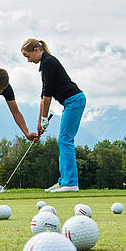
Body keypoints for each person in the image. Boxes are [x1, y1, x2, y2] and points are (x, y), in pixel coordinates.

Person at [21, 38, 86, 193]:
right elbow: (43, 95)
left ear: (36, 50)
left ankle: (70, 183)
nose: (28, 61)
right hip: (71, 102)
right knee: (63, 140)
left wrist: (44, 120)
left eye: (28, 56)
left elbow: (48, 95)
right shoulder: (45, 64)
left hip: (74, 101)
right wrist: (40, 122)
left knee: (65, 139)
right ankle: (64, 181)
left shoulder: (48, 62)